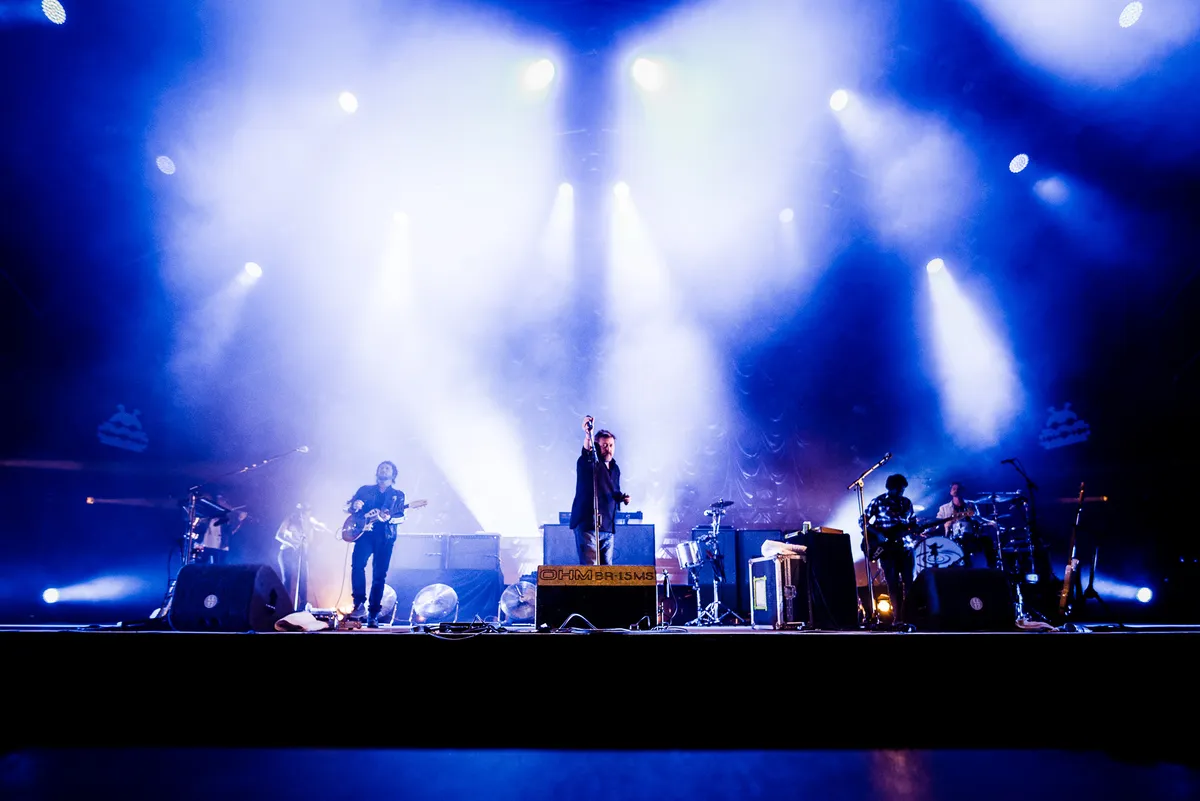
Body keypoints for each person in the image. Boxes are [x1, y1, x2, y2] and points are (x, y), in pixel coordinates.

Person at [345, 461, 407, 628]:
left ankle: (373, 613)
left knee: (379, 575)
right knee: (357, 566)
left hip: (385, 537)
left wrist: (389, 518)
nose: (383, 469)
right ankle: (359, 604)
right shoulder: (365, 490)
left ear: (393, 474)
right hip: (364, 534)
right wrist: (355, 506)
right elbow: (350, 508)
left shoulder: (398, 495)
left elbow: (401, 517)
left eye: (387, 468)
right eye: (381, 467)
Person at [567, 415, 630, 566]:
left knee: (606, 572)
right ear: (596, 446)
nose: (608, 449)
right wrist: (588, 434)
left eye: (611, 445)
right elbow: (587, 452)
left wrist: (622, 498)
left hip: (607, 526)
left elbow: (612, 490)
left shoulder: (615, 468)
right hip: (588, 524)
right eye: (604, 445)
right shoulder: (590, 462)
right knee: (591, 569)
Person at [863, 474, 917, 623]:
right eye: (898, 489)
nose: (901, 492)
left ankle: (910, 617)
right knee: (893, 584)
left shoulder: (906, 502)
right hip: (888, 550)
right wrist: (877, 534)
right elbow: (863, 521)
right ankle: (897, 618)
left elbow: (913, 522)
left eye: (903, 489)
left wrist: (916, 529)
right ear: (890, 488)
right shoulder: (878, 501)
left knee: (909, 582)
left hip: (906, 547)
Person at [937, 482, 999, 570]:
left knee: (987, 540)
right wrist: (943, 525)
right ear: (950, 492)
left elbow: (978, 518)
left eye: (958, 489)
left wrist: (991, 522)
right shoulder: (944, 508)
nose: (956, 490)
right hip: (952, 538)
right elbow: (937, 523)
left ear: (962, 491)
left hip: (972, 536)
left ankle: (992, 567)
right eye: (954, 488)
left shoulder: (971, 504)